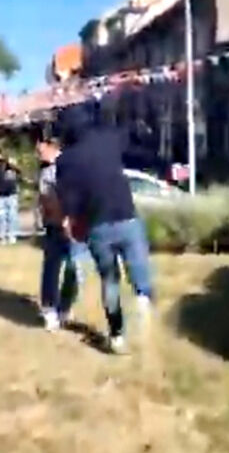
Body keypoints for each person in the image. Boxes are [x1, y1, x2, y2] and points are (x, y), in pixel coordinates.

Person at [55, 103, 153, 354]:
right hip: (125, 215)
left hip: (96, 225)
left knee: (109, 280)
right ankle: (142, 296)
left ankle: (117, 335)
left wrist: (72, 221)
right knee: (138, 262)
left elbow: (67, 200)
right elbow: (132, 136)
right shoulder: (108, 139)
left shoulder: (65, 161)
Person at [35, 134, 89, 331]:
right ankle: (50, 309)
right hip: (56, 226)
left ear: (51, 146)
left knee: (74, 269)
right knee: (52, 269)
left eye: (40, 148)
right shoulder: (46, 171)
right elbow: (45, 200)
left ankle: (64, 307)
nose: (37, 152)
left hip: (74, 225)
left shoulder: (72, 166)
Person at [0, 153, 22, 245]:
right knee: (0, 216)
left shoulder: (11, 169)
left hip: (11, 194)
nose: (1, 163)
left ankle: (12, 236)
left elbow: (19, 171)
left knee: (12, 216)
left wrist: (11, 164)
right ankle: (0, 236)